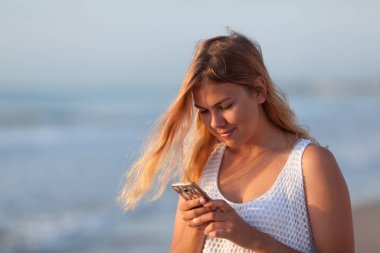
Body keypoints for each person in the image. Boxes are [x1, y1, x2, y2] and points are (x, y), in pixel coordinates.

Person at [118, 30, 354, 253]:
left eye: (225, 106)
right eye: (204, 111)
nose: (215, 122)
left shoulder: (309, 164)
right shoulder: (202, 166)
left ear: (259, 91)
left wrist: (248, 236)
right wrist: (195, 227)